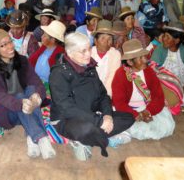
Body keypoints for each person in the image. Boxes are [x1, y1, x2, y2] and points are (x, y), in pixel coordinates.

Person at [49, 32, 134, 161]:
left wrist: (107, 115)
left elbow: (103, 95)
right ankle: (99, 137)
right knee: (86, 129)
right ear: (70, 53)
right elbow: (67, 109)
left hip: (92, 114)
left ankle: (89, 139)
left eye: (89, 49)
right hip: (67, 119)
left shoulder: (90, 67)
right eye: (83, 51)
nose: (88, 54)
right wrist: (99, 121)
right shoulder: (58, 74)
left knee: (129, 117)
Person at [0, 28, 56, 159]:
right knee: (19, 95)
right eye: (3, 45)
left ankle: (31, 137)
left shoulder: (22, 60)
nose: (10, 46)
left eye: (9, 41)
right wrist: (20, 103)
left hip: (29, 107)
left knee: (32, 89)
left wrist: (37, 97)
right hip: (8, 111)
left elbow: (36, 81)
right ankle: (42, 138)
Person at [112, 39, 175, 140]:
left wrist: (148, 112)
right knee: (139, 130)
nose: (145, 60)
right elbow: (119, 103)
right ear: (129, 62)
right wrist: (136, 115)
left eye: (144, 56)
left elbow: (158, 96)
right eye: (140, 58)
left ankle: (130, 129)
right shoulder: (120, 75)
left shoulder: (148, 71)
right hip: (129, 110)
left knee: (168, 126)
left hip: (146, 107)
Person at [29, 20, 65, 86]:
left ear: (53, 39)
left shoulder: (60, 54)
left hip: (48, 86)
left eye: (45, 35)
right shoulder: (44, 47)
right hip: (36, 81)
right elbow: (32, 61)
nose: (42, 36)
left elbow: (57, 78)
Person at [91, 20, 121, 97]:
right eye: (103, 38)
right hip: (89, 92)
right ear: (95, 41)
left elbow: (111, 78)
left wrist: (105, 97)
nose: (107, 42)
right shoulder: (88, 53)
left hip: (106, 94)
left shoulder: (115, 54)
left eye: (110, 39)